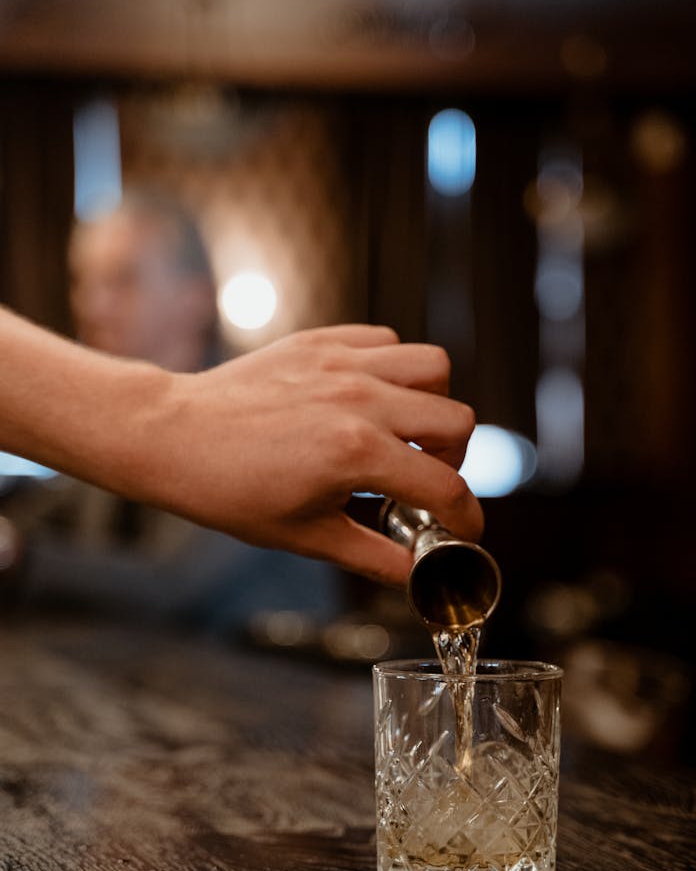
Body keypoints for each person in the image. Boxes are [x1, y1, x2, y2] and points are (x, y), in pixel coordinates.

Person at [1, 209, 482, 601]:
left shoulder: (265, 421)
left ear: (196, 298)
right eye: (83, 282)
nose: (92, 305)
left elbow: (171, 588)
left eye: (122, 281)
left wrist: (16, 551)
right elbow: (56, 504)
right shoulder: (118, 418)